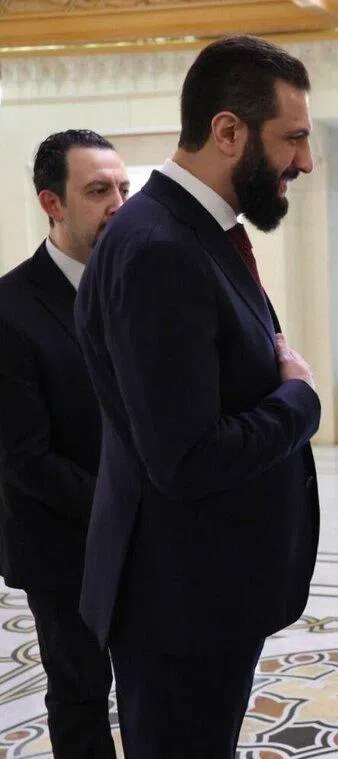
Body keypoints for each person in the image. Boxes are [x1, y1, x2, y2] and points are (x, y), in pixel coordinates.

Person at [73, 35, 321, 757]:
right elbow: (186, 458)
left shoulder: (189, 233)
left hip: (199, 594)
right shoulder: (161, 250)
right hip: (179, 606)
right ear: (228, 132)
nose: (305, 161)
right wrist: (299, 400)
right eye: (293, 138)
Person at [0, 129, 128, 759]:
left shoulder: (139, 286)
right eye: (99, 191)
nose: (119, 205)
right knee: (80, 695)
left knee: (157, 686)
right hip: (63, 544)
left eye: (124, 189)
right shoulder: (9, 308)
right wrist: (122, 511)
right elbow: (24, 458)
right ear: (52, 203)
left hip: (149, 539)